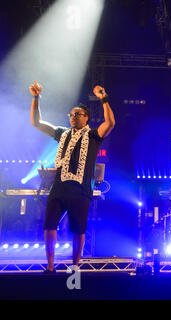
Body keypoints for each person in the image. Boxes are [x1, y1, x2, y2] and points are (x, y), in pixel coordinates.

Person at [29, 80, 115, 273]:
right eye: (72, 114)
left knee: (78, 230)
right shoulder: (62, 133)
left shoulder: (93, 135)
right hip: (59, 188)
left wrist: (104, 98)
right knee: (49, 225)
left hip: (80, 190)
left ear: (86, 118)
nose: (74, 117)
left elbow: (110, 123)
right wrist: (36, 98)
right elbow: (36, 123)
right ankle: (50, 266)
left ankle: (75, 267)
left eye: (78, 114)